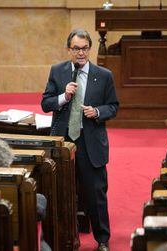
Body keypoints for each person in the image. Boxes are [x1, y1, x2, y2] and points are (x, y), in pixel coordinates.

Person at [41, 28, 119, 251]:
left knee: (96, 194)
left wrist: (97, 112)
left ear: (90, 49)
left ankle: (102, 240)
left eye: (85, 48)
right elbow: (46, 104)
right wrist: (63, 96)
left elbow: (113, 106)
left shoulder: (104, 75)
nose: (81, 53)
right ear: (69, 50)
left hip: (90, 141)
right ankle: (66, 237)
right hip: (64, 143)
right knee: (64, 193)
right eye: (76, 48)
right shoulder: (57, 72)